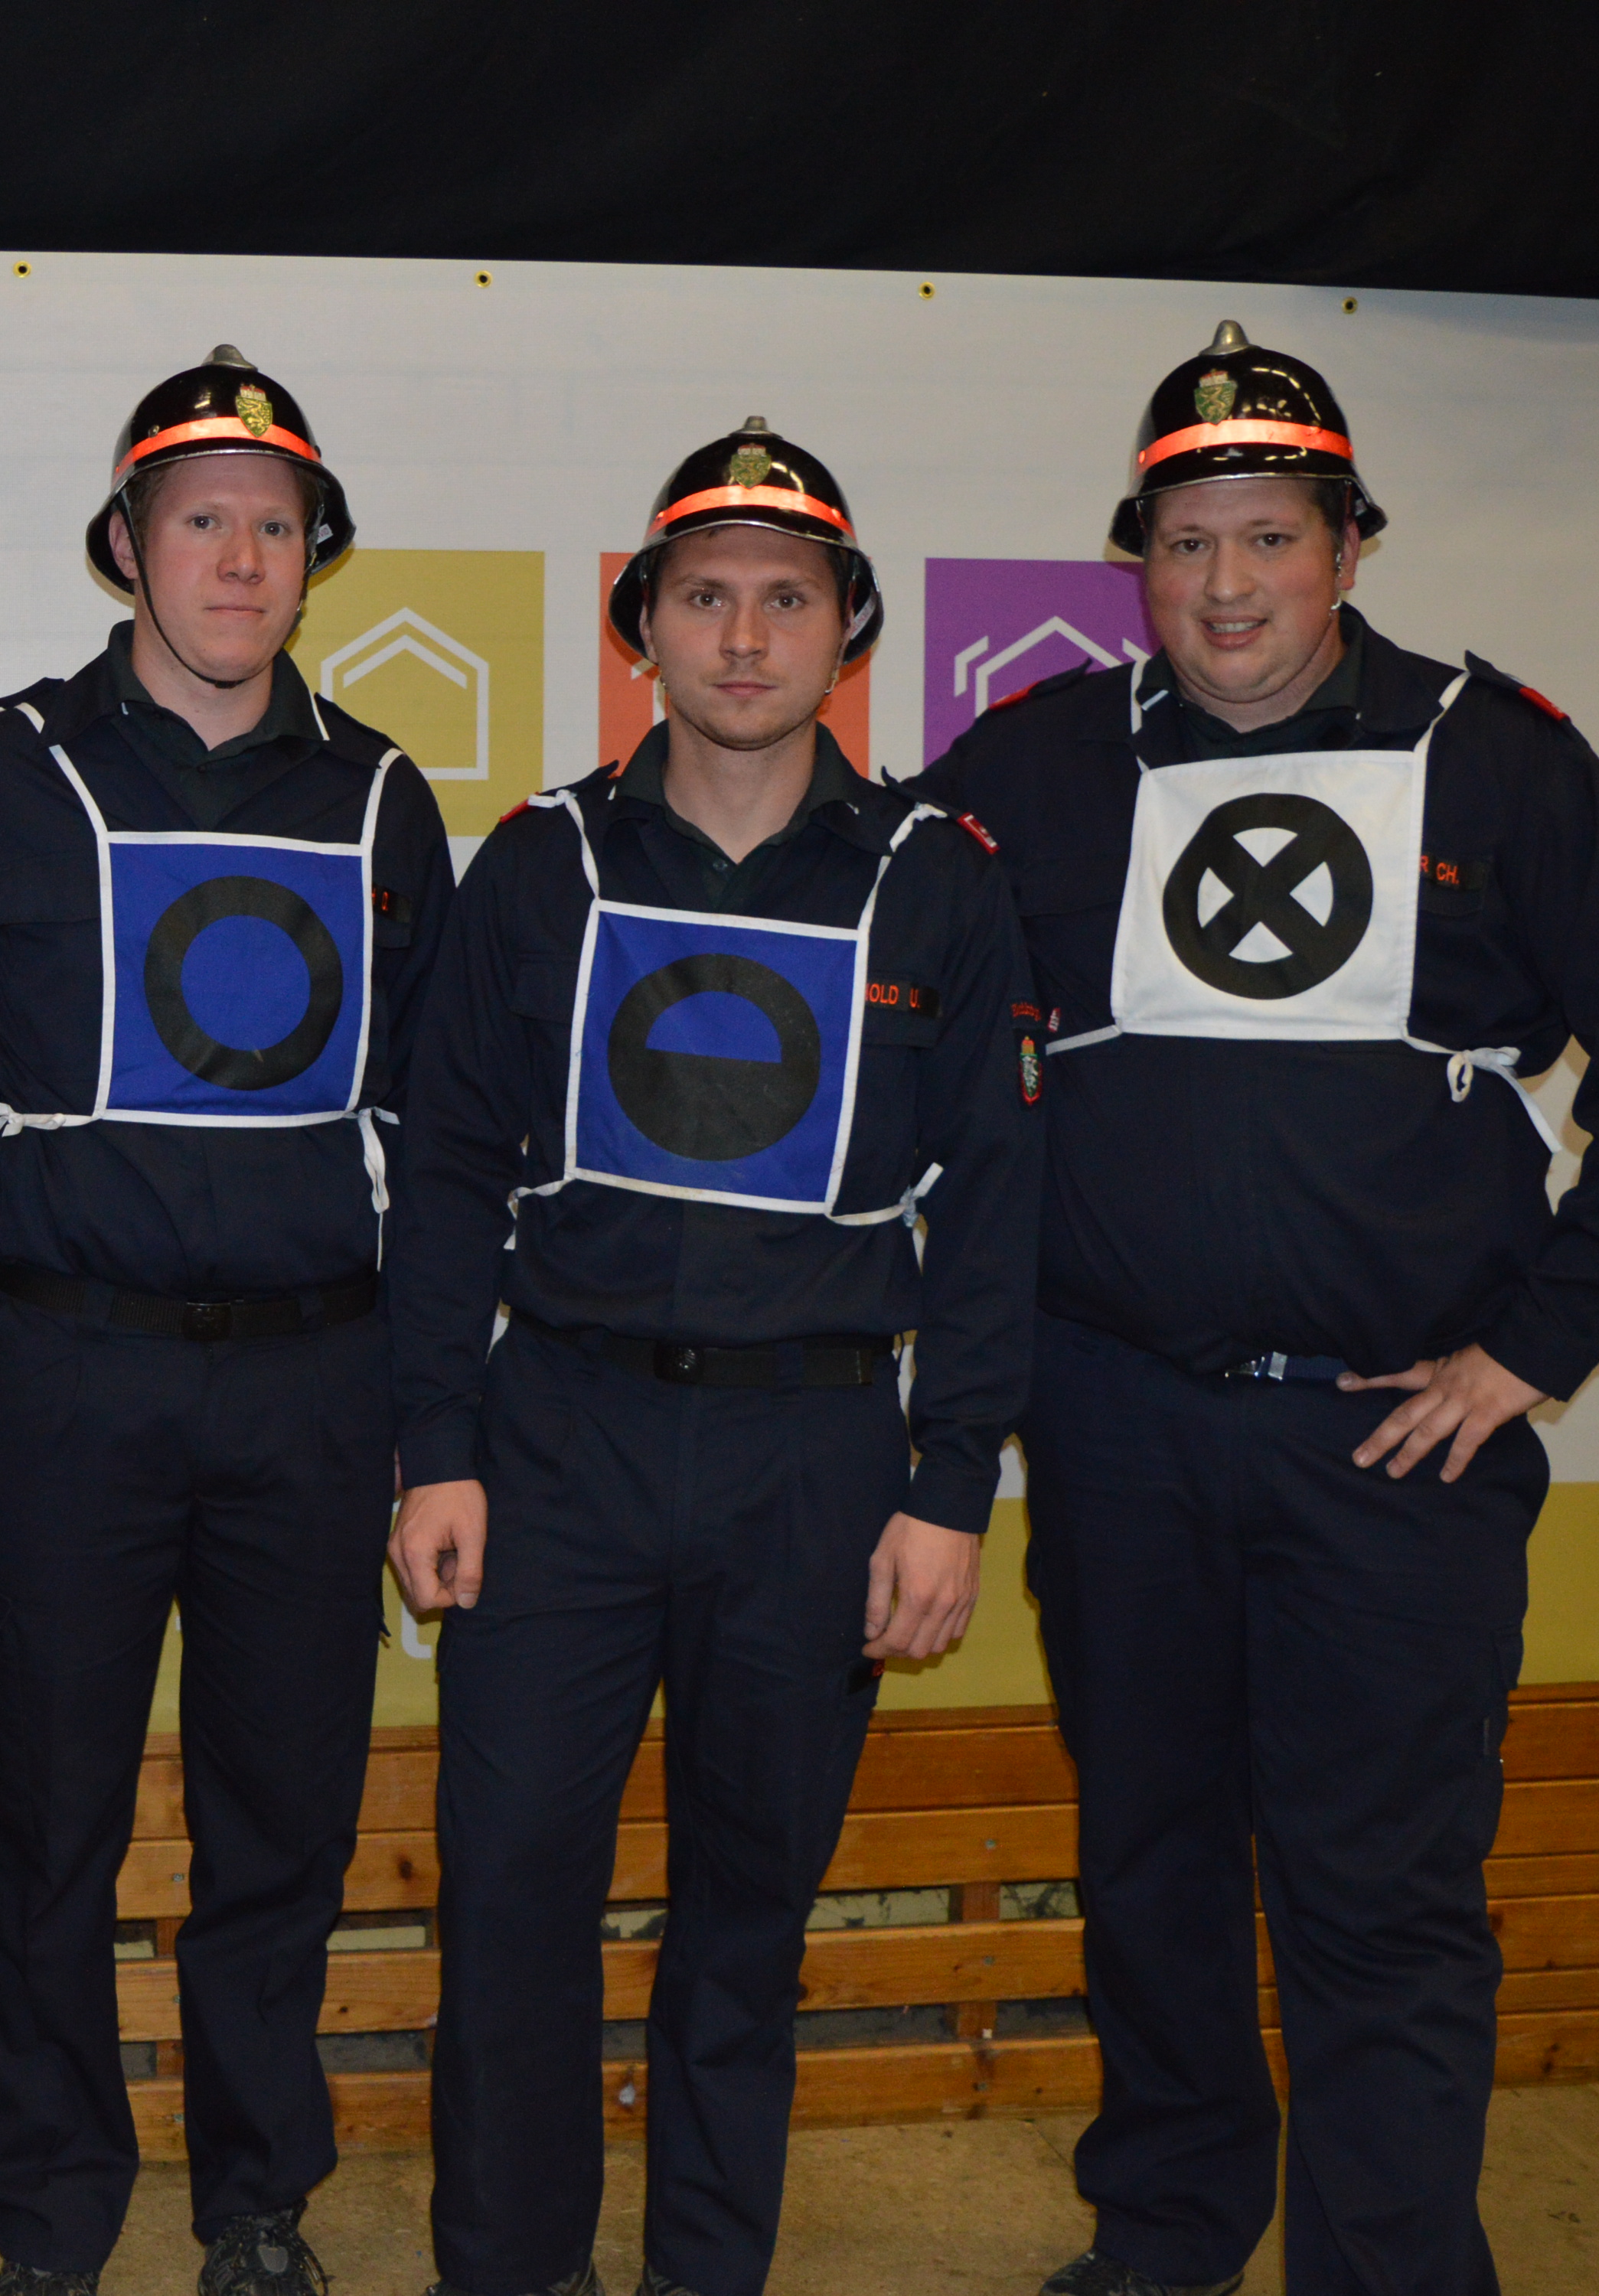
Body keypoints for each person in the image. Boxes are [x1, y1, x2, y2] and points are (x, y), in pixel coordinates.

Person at [909, 325, 1599, 2296]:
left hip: (1395, 1448)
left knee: (1380, 1900)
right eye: (1187, 542)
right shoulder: (1033, 765)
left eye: (1272, 537)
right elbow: (877, 977)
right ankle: (1168, 2240)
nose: (1228, 586)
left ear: (1350, 546)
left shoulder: (1501, 754)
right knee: (1151, 1871)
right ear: (1138, 559)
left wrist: (1539, 1344)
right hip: (1120, 1429)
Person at [387, 421, 1041, 2296]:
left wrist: (950, 1487)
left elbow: (997, 1208)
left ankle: (703, 2273)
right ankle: (513, 2268)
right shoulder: (540, 864)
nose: (744, 637)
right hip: (559, 1445)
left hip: (818, 1463)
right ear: (643, 628)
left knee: (746, 1920)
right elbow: (446, 1173)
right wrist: (437, 1444)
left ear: (849, 630)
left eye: (785, 598)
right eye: (704, 597)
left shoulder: (937, 877)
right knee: (514, 1900)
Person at [0, 346, 455, 2296]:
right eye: (201, 518)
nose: (238, 558)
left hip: (316, 1382)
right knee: (50, 1817)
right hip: (66, 1369)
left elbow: (431, 1124)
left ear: (314, 556)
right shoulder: (3, 763)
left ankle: (256, 2201)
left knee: (278, 1823)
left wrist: (422, 1403)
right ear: (127, 543)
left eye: (274, 525)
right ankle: (52, 2221)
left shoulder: (383, 794)